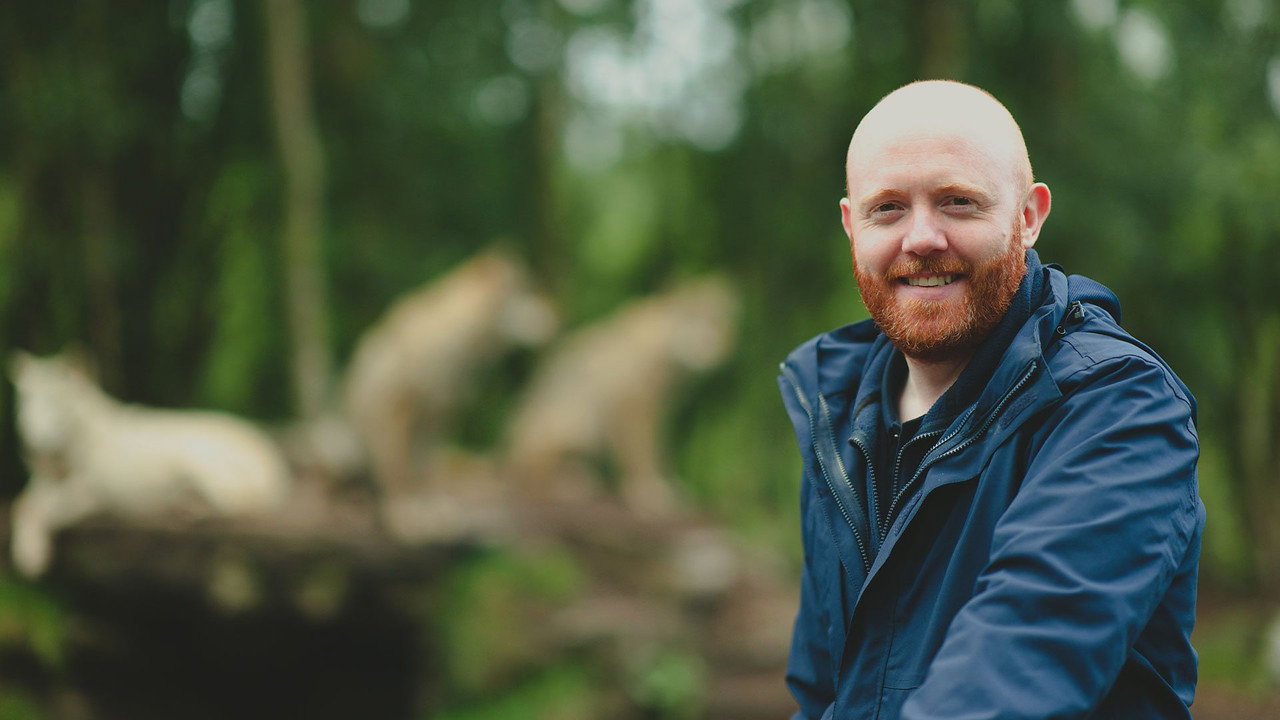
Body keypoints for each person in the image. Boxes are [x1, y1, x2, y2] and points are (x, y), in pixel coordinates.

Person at [778, 80, 1203, 719]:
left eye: (957, 202)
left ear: (1028, 217)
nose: (921, 238)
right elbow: (820, 693)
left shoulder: (1120, 408)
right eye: (887, 208)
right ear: (850, 225)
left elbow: (1012, 679)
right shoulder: (832, 413)